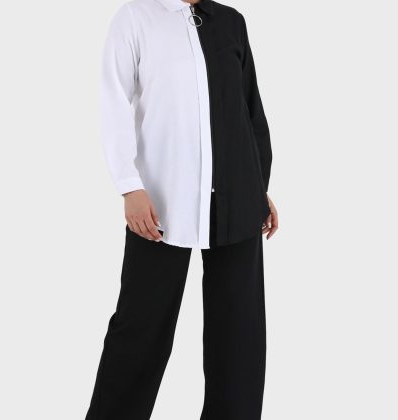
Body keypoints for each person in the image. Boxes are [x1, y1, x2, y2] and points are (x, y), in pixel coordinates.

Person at [85, 0, 279, 418]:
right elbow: (113, 101)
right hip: (159, 204)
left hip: (238, 199)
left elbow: (249, 109)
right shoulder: (136, 18)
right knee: (140, 327)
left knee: (239, 335)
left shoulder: (231, 22)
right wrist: (129, 185)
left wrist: (257, 187)